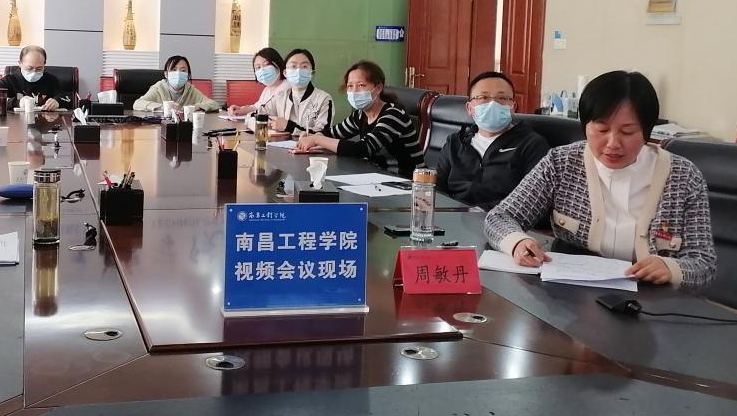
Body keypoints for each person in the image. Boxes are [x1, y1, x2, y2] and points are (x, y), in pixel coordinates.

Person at [484, 70, 715, 289]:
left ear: (647, 132)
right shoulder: (561, 163)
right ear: (585, 127)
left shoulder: (683, 176)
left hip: (652, 301)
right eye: (602, 130)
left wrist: (670, 268)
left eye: (627, 132)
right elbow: (500, 217)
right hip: (569, 295)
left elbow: (703, 264)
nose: (613, 143)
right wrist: (517, 242)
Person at [435, 71, 549, 210]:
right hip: (452, 216)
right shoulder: (455, 143)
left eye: (502, 98)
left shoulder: (532, 145)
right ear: (470, 108)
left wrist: (479, 212)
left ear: (513, 107)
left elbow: (535, 200)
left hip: (502, 219)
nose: (493, 104)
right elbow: (437, 188)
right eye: (483, 97)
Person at [295, 60, 422, 177]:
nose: (354, 91)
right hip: (377, 177)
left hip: (408, 180)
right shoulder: (361, 114)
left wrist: (317, 139)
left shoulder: (393, 114)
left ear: (378, 88)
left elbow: (364, 148)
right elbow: (334, 132)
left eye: (361, 85)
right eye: (350, 86)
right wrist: (314, 135)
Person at [0, 45, 72, 111]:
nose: (34, 72)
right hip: (16, 124)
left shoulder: (51, 80)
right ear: (20, 63)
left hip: (44, 124)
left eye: (39, 68)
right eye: (29, 68)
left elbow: (68, 99)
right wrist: (16, 102)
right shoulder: (8, 81)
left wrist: (58, 101)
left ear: (44, 65)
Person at [267, 48, 333, 133]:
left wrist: (289, 126)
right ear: (285, 73)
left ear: (312, 73)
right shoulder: (279, 97)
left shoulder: (324, 99)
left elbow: (323, 133)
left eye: (304, 66)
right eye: (293, 66)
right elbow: (257, 114)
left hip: (310, 142)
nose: (298, 70)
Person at [133, 55, 220, 113]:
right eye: (174, 70)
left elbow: (214, 104)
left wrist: (195, 107)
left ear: (188, 75)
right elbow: (137, 104)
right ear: (166, 74)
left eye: (183, 70)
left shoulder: (191, 90)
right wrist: (162, 107)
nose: (178, 73)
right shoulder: (159, 87)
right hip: (161, 128)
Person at [227, 47, 289, 116]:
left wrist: (245, 111)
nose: (262, 70)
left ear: (278, 64)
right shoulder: (268, 89)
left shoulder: (287, 88)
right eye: (258, 67)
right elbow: (257, 107)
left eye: (267, 64)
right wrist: (240, 109)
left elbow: (269, 111)